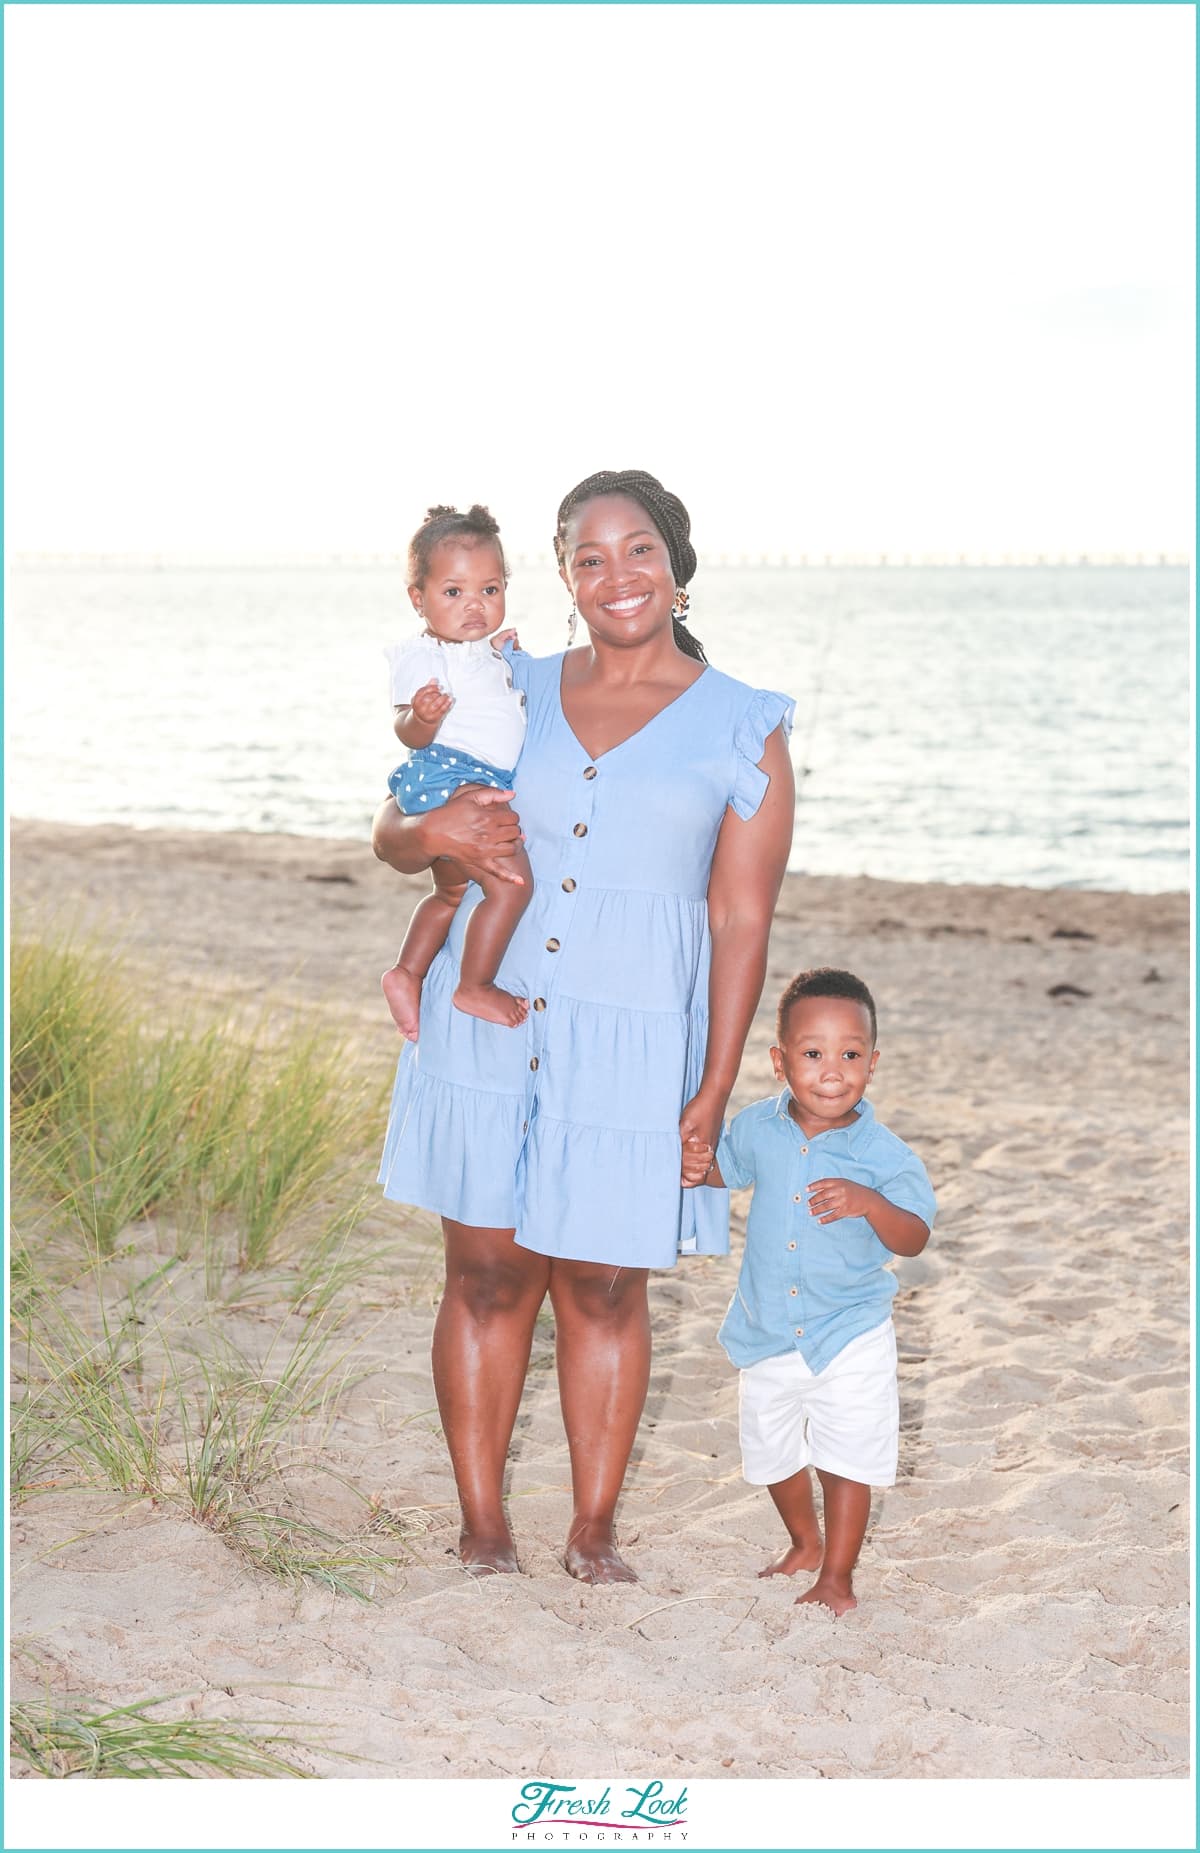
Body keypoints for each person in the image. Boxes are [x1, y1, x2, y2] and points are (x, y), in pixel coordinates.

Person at [373, 467, 795, 1583]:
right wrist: (425, 836)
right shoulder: (509, 683)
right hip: (493, 1018)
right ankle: (483, 1522)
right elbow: (398, 826)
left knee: (606, 1287)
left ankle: (594, 1528)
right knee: (486, 1277)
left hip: (638, 1039)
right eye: (591, 556)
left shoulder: (744, 727)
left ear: (678, 563)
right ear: (562, 578)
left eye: (639, 548)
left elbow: (741, 920)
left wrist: (712, 1087)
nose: (618, 575)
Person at [683, 967, 936, 1615]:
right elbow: (724, 1170)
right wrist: (694, 1166)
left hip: (849, 1330)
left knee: (846, 1455)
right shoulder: (758, 1128)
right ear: (780, 1060)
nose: (832, 1070)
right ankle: (804, 1540)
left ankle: (838, 1577)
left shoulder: (885, 1154)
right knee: (770, 1453)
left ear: (872, 1064)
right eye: (813, 1053)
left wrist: (869, 1201)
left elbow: (913, 1237)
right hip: (767, 1328)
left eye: (850, 1054)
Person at [381, 504, 532, 1039]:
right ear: (417, 599)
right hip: (451, 779)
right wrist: (420, 719)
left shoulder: (480, 653)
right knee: (512, 889)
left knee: (450, 895)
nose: (475, 604)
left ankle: (406, 972)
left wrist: (500, 655)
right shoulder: (424, 657)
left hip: (465, 781)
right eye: (454, 592)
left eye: (490, 590)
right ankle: (474, 985)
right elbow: (407, 731)